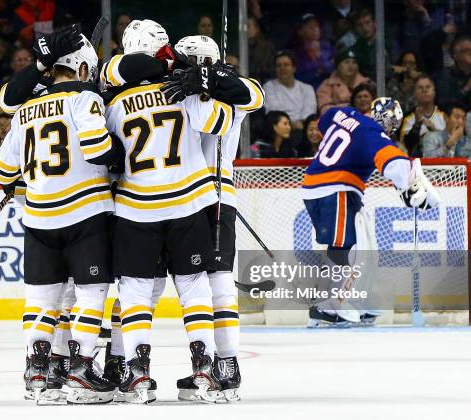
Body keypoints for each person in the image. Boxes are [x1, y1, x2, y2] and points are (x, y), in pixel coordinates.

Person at [0, 34, 120, 405]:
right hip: (85, 213)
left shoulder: (26, 108)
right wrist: (120, 151)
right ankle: (80, 368)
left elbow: (2, 170)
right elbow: (98, 149)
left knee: (41, 299)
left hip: (38, 217)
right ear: (82, 69)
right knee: (91, 293)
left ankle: (38, 372)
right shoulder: (85, 98)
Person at [102, 19, 223, 403]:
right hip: (188, 203)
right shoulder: (184, 90)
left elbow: (105, 159)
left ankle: (137, 376)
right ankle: (204, 370)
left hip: (136, 209)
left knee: (136, 292)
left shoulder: (114, 104)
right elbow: (219, 123)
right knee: (194, 286)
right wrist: (205, 79)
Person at [160, 34, 265, 402]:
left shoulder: (224, 92)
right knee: (201, 285)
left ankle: (226, 365)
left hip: (209, 193)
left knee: (214, 284)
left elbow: (254, 95)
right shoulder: (188, 90)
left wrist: (208, 82)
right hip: (196, 195)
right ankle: (214, 366)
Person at [301, 97, 438, 327]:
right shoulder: (374, 135)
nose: (391, 129)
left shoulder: (342, 113)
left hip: (323, 187)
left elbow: (324, 121)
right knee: (345, 246)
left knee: (360, 245)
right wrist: (411, 184)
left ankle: (347, 298)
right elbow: (393, 164)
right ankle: (330, 305)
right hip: (335, 188)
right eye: (393, 124)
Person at [263, 51, 316, 130]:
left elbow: (310, 111)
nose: (282, 68)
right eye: (278, 65)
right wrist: (291, 124)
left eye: (286, 65)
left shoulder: (307, 88)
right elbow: (272, 110)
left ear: (294, 68)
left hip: (303, 127)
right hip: (279, 128)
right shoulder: (269, 86)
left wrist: (300, 123)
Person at [399, 75, 446, 156]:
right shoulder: (407, 118)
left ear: (434, 91)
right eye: (420, 88)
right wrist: (416, 125)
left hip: (443, 164)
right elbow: (406, 146)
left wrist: (434, 131)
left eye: (428, 87)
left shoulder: (445, 114)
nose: (424, 90)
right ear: (414, 93)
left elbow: (452, 143)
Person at [435, 36, 471, 109]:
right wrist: (465, 89)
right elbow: (443, 102)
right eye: (466, 50)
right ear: (455, 55)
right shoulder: (446, 75)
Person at [317, 49, 369, 115]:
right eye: (346, 62)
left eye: (354, 62)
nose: (351, 66)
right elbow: (325, 109)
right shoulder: (327, 85)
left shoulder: (367, 83)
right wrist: (351, 107)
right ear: (338, 66)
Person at [294, 13, 335, 89]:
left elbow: (335, 71)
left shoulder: (330, 49)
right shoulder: (296, 54)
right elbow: (298, 78)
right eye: (310, 26)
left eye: (317, 26)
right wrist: (319, 72)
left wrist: (319, 56)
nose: (315, 29)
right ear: (300, 31)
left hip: (332, 90)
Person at [247, 16, 275, 82]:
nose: (245, 29)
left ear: (257, 29)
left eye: (248, 26)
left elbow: (267, 69)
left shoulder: (266, 47)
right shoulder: (237, 46)